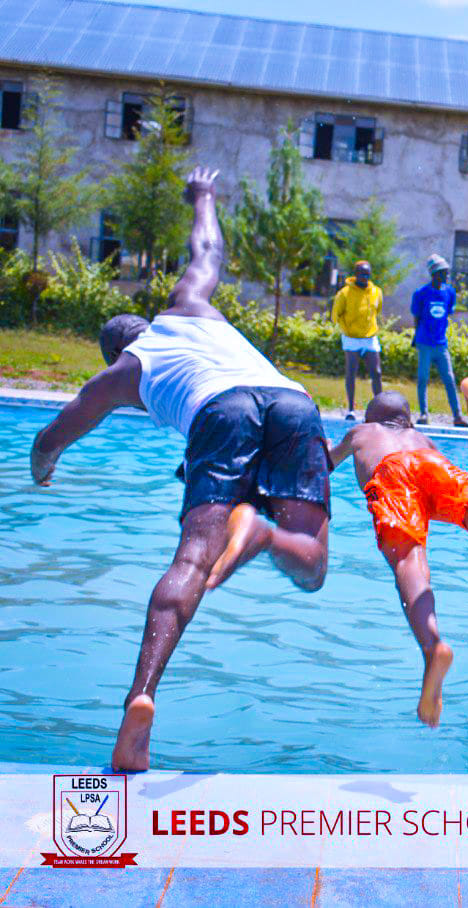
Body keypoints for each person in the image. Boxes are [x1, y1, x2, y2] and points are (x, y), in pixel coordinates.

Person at [29, 169, 332, 772]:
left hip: (220, 412)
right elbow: (208, 249)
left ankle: (141, 697)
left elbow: (52, 434)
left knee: (191, 561)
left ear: (116, 350)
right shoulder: (190, 304)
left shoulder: (122, 374)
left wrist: (44, 467)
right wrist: (205, 196)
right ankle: (266, 533)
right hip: (293, 401)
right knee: (313, 569)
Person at [327, 382, 468, 726]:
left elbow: (324, 465)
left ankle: (432, 646)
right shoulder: (424, 440)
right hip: (432, 463)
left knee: (409, 559)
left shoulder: (362, 431)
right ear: (409, 424)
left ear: (370, 419)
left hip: (394, 472)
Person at [409, 254, 466, 427]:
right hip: (425, 342)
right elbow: (417, 317)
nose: (447, 275)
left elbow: (447, 313)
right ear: (435, 274)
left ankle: (457, 415)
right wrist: (417, 337)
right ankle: (424, 413)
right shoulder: (421, 293)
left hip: (441, 344)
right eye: (444, 272)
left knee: (449, 378)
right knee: (423, 378)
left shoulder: (449, 292)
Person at [331, 260, 384, 420]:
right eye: (361, 274)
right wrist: (346, 329)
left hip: (369, 337)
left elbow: (378, 310)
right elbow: (335, 315)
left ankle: (380, 409)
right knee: (351, 372)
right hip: (351, 338)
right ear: (355, 275)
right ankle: (351, 409)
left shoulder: (376, 291)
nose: (364, 277)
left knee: (377, 372)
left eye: (367, 274)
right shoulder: (344, 293)